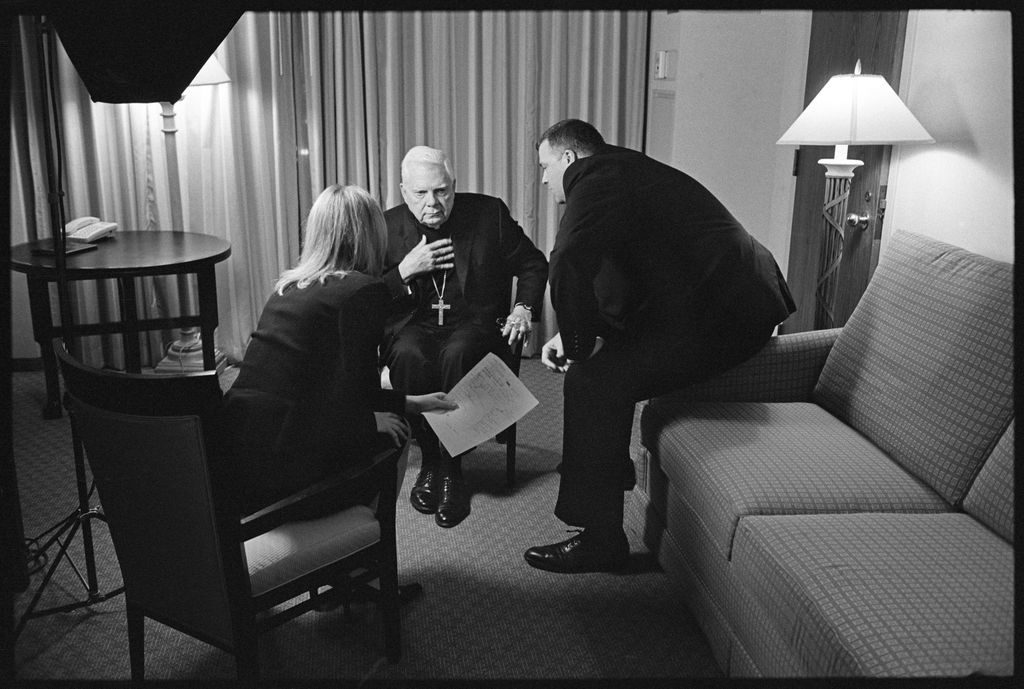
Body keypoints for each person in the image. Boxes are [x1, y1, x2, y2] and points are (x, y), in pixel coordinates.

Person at [526, 119, 796, 573]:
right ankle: (609, 472)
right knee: (599, 370)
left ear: (569, 159)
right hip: (720, 301)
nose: (545, 179)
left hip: (729, 317)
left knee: (593, 380)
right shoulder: (623, 172)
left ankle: (601, 540)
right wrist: (577, 333)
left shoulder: (592, 180)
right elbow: (629, 270)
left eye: (545, 167)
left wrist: (577, 345)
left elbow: (569, 259)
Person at [221, 184, 457, 519]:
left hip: (242, 458)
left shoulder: (288, 287)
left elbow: (322, 387)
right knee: (395, 436)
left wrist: (413, 403)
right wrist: (382, 417)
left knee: (391, 418)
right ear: (371, 235)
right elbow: (359, 393)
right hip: (286, 475)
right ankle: (369, 552)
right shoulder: (361, 291)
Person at [381, 146, 548, 528]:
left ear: (454, 185)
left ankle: (451, 469)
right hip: (414, 326)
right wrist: (404, 271)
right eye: (421, 194)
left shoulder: (489, 214)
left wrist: (523, 308)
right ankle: (431, 456)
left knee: (458, 352)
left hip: (473, 324)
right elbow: (367, 291)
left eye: (441, 191)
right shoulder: (387, 227)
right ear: (404, 191)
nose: (433, 203)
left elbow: (532, 263)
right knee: (409, 355)